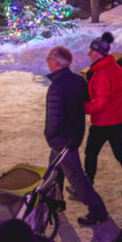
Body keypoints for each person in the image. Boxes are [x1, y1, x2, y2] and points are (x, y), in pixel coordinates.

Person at [44, 46, 108, 227]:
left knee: (76, 177)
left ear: (56, 63)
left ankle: (98, 210)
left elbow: (54, 119)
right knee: (54, 172)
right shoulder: (78, 81)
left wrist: (48, 134)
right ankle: (54, 203)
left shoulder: (56, 87)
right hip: (73, 135)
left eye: (48, 58)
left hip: (62, 140)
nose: (47, 61)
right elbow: (84, 102)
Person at [83, 32, 122, 190]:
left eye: (91, 51)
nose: (89, 54)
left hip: (104, 121)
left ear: (97, 53)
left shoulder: (101, 74)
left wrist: (82, 107)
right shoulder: (115, 67)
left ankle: (86, 186)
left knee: (91, 153)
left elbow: (100, 103)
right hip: (118, 118)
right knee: (120, 153)